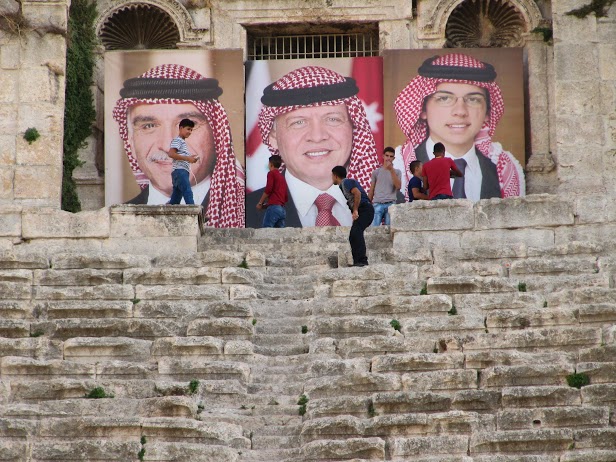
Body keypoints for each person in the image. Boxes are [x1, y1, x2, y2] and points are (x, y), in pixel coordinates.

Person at [246, 66, 380, 228]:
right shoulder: (246, 213)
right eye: (299, 122)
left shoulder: (392, 205)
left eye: (333, 119)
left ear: (354, 128)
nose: (317, 136)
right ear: (272, 137)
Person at [112, 64, 245, 227]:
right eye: (149, 126)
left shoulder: (248, 209)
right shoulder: (117, 221)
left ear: (216, 135)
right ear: (131, 142)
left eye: (189, 125)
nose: (167, 144)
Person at [394, 53, 525, 201]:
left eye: (473, 99)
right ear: (422, 110)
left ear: (488, 112)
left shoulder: (505, 169)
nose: (460, 111)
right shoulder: (400, 166)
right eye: (444, 98)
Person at [332, 166, 374, 267]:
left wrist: (355, 210)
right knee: (353, 235)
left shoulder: (346, 182)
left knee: (356, 232)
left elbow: (357, 193)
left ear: (335, 176)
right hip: (366, 209)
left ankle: (362, 261)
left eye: (332, 176)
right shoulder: (345, 184)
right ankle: (357, 261)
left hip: (364, 209)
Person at [167, 119, 200, 205]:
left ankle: (169, 212)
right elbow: (171, 153)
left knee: (176, 197)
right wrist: (187, 159)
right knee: (187, 191)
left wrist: (190, 158)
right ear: (181, 128)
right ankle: (194, 214)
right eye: (188, 129)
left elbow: (181, 156)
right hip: (180, 171)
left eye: (191, 130)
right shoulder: (178, 140)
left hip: (180, 172)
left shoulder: (182, 142)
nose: (190, 132)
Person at [368, 146, 402, 226]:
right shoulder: (376, 172)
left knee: (389, 231)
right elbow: (371, 189)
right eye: (387, 156)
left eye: (391, 156)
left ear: (393, 158)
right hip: (377, 203)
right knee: (374, 229)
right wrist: (367, 203)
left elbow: (398, 186)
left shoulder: (397, 172)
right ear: (383, 156)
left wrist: (391, 170)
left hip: (391, 204)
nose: (388, 158)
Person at [256, 155, 288, 228]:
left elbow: (268, 189)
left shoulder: (271, 173)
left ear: (271, 164)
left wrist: (260, 203)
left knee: (266, 230)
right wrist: (265, 206)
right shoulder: (282, 178)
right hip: (282, 210)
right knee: (280, 235)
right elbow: (284, 198)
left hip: (274, 209)